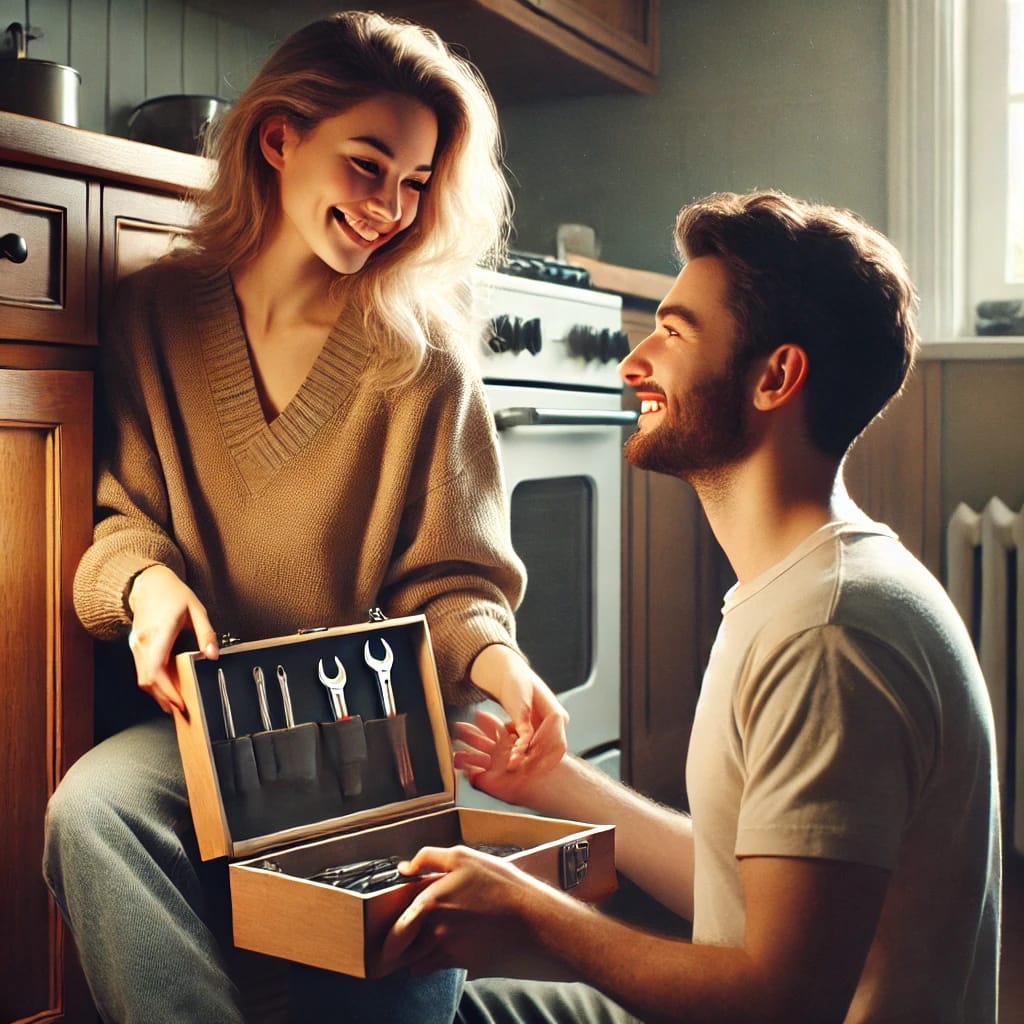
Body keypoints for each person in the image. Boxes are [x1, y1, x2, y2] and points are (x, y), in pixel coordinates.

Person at [42, 10, 569, 1023]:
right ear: (279, 139)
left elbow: (454, 584)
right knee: (93, 811)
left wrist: (504, 669)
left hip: (375, 747)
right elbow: (123, 522)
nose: (389, 209)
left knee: (399, 961)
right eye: (368, 166)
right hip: (207, 731)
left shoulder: (423, 357)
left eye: (414, 183)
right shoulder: (153, 315)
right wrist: (147, 588)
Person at [385, 190, 1003, 1023]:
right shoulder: (806, 585)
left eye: (674, 334)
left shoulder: (827, 634)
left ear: (775, 377)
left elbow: (779, 1000)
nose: (633, 362)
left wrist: (532, 916)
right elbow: (746, 890)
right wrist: (555, 781)